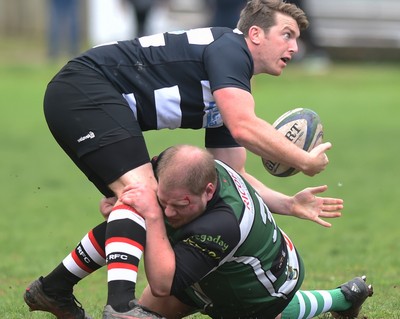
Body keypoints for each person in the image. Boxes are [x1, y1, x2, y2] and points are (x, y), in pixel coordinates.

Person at [24, 0, 331, 318]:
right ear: (255, 34)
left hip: (90, 96)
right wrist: (303, 160)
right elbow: (244, 127)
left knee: (143, 204)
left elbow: (232, 173)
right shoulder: (231, 49)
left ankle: (53, 290)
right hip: (85, 90)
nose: (294, 47)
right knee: (143, 198)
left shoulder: (232, 81)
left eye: (296, 38)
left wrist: (289, 204)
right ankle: (120, 308)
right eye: (287, 34)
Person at [120, 144, 373, 319]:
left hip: (268, 282)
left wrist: (150, 216)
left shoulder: (222, 224)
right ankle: (349, 295)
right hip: (217, 265)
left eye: (179, 205)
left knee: (254, 311)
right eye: (164, 203)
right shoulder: (195, 171)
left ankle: (343, 298)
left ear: (208, 191)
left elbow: (162, 283)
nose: (168, 211)